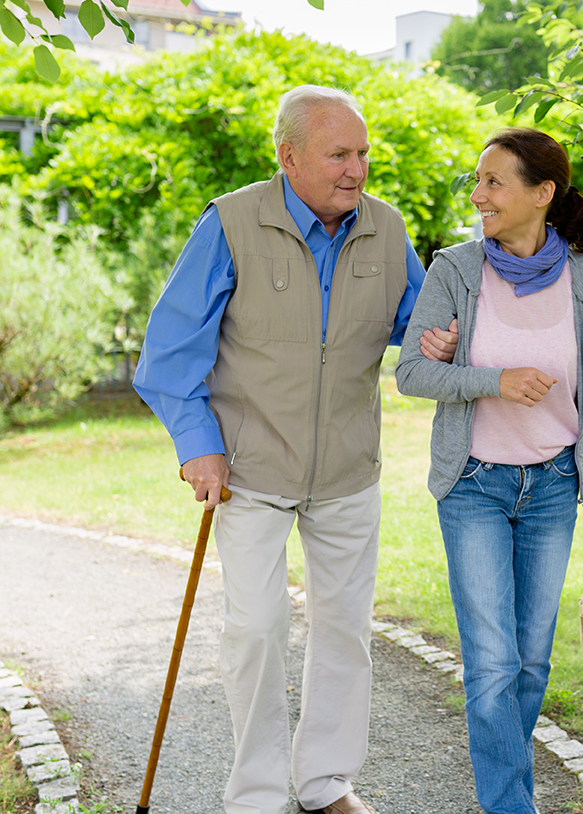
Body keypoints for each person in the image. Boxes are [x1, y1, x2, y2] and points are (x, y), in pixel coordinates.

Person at [134, 85, 455, 814]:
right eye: (338, 153)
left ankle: (325, 782)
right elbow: (168, 354)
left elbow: (416, 321)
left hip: (346, 468)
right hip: (249, 466)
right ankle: (253, 794)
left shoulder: (385, 227)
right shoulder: (231, 223)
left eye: (363, 153)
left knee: (344, 629)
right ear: (289, 156)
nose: (356, 168)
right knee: (254, 629)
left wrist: (438, 335)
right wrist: (198, 447)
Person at [395, 128, 583, 814]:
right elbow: (411, 372)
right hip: (473, 485)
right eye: (478, 180)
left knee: (531, 663)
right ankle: (509, 805)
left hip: (554, 487)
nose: (478, 195)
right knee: (493, 662)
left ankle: (508, 790)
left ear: (542, 193)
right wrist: (492, 380)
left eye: (494, 182)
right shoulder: (456, 270)